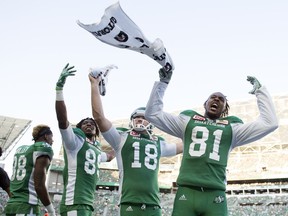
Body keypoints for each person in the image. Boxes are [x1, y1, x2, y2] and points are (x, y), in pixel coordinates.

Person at [144, 68, 279, 216]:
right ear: (205, 103)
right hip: (187, 192)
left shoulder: (233, 128)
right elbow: (152, 114)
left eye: (221, 99)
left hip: (215, 195)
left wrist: (261, 92)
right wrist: (162, 84)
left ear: (224, 109)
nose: (216, 99)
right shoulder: (188, 121)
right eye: (213, 97)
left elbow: (270, 123)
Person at [88, 66, 183, 216]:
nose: (139, 119)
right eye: (136, 117)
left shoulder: (159, 142)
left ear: (151, 121)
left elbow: (184, 145)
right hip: (128, 202)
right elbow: (99, 117)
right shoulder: (122, 137)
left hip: (154, 204)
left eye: (144, 117)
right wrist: (94, 85)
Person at [55, 63, 115, 216]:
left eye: (92, 123)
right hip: (74, 202)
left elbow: (108, 156)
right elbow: (63, 121)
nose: (89, 124)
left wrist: (124, 139)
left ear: (96, 131)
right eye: (85, 123)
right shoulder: (74, 143)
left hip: (86, 203)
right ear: (78, 129)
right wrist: (59, 90)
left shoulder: (95, 150)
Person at [4, 124, 55, 216]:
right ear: (46, 136)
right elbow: (39, 185)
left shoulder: (20, 149)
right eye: (52, 137)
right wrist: (51, 210)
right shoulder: (43, 147)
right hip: (27, 205)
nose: (53, 141)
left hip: (11, 204)